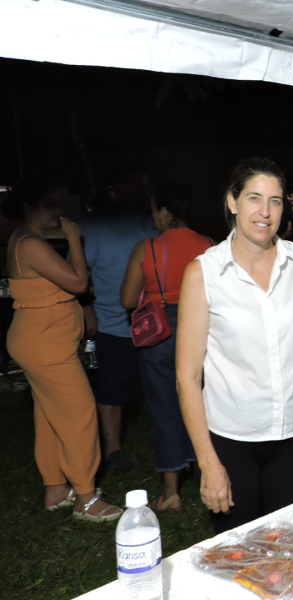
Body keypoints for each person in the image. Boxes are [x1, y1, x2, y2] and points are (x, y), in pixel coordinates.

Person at [176, 158, 293, 533]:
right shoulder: (204, 274)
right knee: (239, 559)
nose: (265, 212)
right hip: (232, 441)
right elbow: (187, 376)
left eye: (275, 201)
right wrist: (208, 464)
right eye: (254, 198)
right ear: (232, 202)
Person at [4, 180, 121, 521]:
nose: (59, 211)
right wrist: (73, 238)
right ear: (29, 209)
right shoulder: (30, 244)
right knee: (80, 414)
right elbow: (78, 282)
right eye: (50, 204)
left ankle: (56, 488)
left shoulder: (26, 241)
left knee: (50, 416)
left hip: (41, 342)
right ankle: (86, 497)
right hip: (45, 346)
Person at [120, 183, 213, 511]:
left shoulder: (147, 248)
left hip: (160, 334)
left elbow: (127, 299)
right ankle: (208, 473)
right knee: (202, 403)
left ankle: (171, 491)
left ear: (164, 212)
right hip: (200, 330)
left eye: (154, 210)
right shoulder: (209, 245)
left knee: (164, 409)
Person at [78, 164, 158, 473]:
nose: (142, 193)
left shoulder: (153, 222)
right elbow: (78, 272)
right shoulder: (95, 224)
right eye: (136, 186)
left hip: (157, 325)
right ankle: (113, 450)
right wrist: (86, 307)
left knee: (160, 388)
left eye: (145, 187)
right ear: (119, 189)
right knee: (112, 391)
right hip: (113, 324)